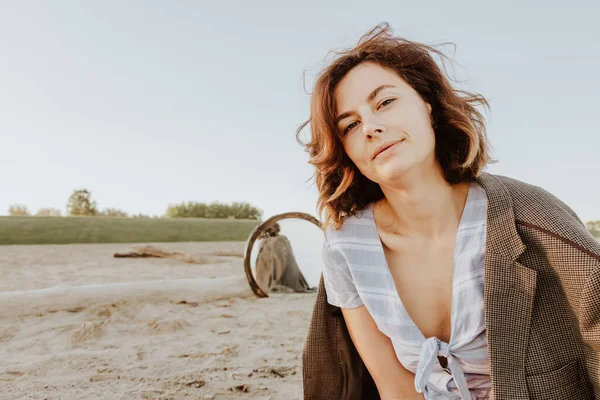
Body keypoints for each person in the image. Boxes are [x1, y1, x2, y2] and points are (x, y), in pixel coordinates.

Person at [297, 23, 600, 400]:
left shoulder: (530, 214)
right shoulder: (345, 249)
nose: (371, 127)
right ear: (345, 152)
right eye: (351, 124)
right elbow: (395, 389)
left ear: (429, 106)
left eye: (385, 102)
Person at [255, 223, 314, 293]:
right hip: (270, 274)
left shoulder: (275, 240)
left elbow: (280, 262)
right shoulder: (273, 240)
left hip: (274, 275)